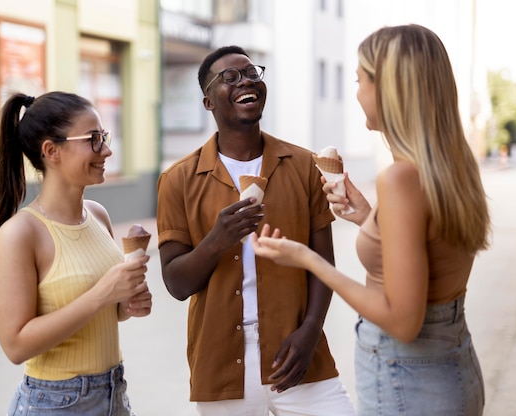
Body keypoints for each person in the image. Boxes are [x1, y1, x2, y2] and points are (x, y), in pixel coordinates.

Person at [252, 24, 490, 416]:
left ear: (390, 89)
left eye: (360, 80)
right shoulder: (451, 166)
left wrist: (307, 259)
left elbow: (402, 321)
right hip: (453, 369)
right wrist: (369, 217)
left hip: (408, 381)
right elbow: (429, 250)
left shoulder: (399, 179)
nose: (357, 92)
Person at [156, 46, 355, 415]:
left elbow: (323, 263)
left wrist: (311, 330)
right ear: (208, 103)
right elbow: (176, 284)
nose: (245, 81)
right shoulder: (178, 179)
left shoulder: (303, 166)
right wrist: (218, 239)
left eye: (251, 73)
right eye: (229, 78)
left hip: (299, 354)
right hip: (221, 365)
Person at [0, 91, 152, 416]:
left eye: (103, 136)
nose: (106, 149)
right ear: (51, 151)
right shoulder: (20, 234)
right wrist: (103, 294)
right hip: (56, 404)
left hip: (114, 395)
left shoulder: (98, 215)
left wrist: (127, 303)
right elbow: (16, 345)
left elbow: (111, 312)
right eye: (92, 139)